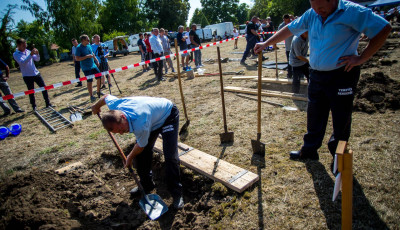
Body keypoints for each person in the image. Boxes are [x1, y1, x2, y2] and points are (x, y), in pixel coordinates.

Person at [254, 0, 391, 171]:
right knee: (314, 113)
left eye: (321, 7)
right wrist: (266, 43)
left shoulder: (353, 12)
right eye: (314, 6)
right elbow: (290, 29)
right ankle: (310, 150)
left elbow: (384, 28)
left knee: (341, 117)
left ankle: (338, 156)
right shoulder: (312, 14)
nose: (318, 11)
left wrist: (362, 58)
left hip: (342, 74)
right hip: (317, 74)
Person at [92, 94, 184, 209]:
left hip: (167, 115)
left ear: (123, 117)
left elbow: (140, 146)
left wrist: (129, 158)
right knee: (142, 155)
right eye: (118, 132)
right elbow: (106, 97)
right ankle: (146, 185)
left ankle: (177, 193)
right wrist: (96, 106)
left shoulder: (140, 122)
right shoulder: (115, 105)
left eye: (121, 129)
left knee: (170, 156)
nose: (121, 133)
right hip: (151, 119)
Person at [13, 38, 53, 110]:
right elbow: (23, 63)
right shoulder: (16, 54)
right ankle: (34, 106)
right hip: (27, 76)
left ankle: (48, 103)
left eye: (25, 45)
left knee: (44, 87)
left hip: (36, 73)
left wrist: (37, 54)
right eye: (23, 46)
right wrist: (31, 54)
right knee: (31, 91)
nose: (25, 47)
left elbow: (37, 59)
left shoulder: (28, 51)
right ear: (18, 45)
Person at [75, 34, 101, 101]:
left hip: (93, 65)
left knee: (99, 77)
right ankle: (91, 95)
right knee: (90, 81)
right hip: (86, 68)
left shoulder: (89, 45)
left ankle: (98, 91)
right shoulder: (78, 48)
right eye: (87, 40)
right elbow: (77, 58)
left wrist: (96, 60)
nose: (89, 41)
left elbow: (92, 53)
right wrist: (86, 56)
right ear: (83, 40)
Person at [278, 14, 294, 79]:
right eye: (285, 20)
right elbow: (278, 33)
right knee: (289, 61)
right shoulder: (282, 25)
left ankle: (299, 74)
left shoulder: (293, 23)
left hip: (295, 45)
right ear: (284, 19)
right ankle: (289, 75)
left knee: (298, 61)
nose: (287, 21)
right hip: (288, 46)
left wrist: (293, 18)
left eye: (288, 20)